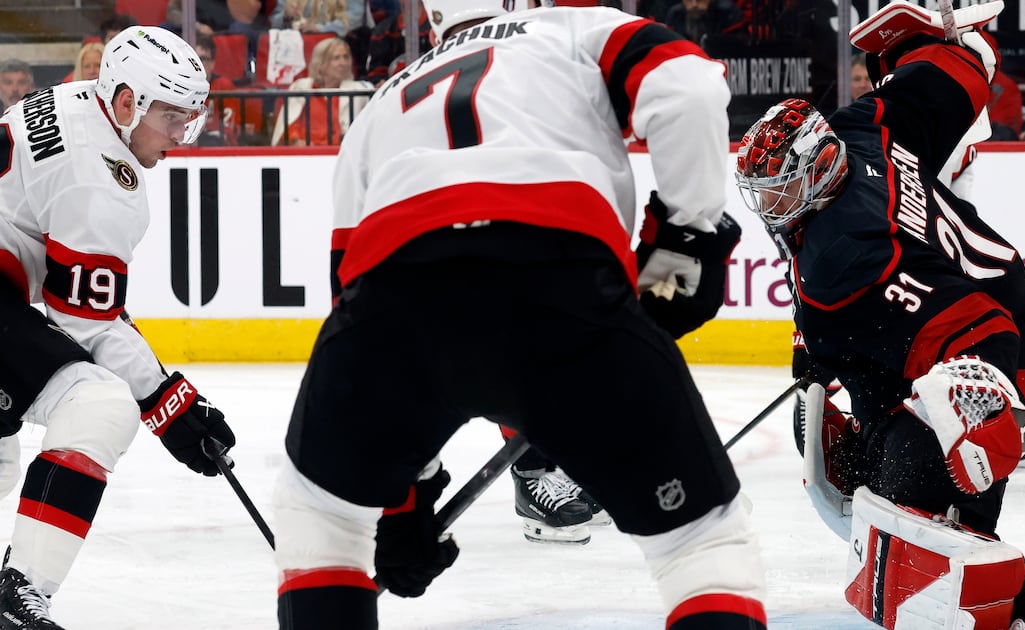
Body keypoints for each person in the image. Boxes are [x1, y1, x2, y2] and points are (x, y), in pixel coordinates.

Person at [271, 0, 766, 627]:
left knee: (322, 527)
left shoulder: (383, 100)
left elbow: (347, 286)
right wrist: (684, 241)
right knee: (702, 544)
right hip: (559, 276)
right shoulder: (572, 28)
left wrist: (403, 502)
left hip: (399, 293)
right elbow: (690, 86)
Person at [735, 1, 1025, 628]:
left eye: (778, 185)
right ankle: (967, 547)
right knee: (885, 461)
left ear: (816, 172)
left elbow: (979, 330)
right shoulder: (865, 127)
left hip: (1007, 366)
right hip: (993, 322)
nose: (768, 203)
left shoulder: (848, 256)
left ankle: (987, 578)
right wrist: (922, 43)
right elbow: (963, 68)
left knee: (907, 480)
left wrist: (973, 417)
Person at [0, 26, 237, 629]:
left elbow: (78, 300)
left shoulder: (83, 100)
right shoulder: (102, 178)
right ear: (127, 101)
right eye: (172, 118)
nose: (180, 136)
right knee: (101, 405)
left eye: (191, 118)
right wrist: (170, 404)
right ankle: (18, 595)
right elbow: (84, 320)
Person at [270, 36, 372, 146]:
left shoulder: (359, 90)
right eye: (336, 58)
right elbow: (289, 123)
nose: (343, 63)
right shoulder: (301, 87)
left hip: (339, 153)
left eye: (346, 57)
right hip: (303, 152)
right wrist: (296, 141)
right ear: (321, 63)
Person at [195, 33, 244, 146]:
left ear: (212, 63)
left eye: (202, 59)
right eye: (194, 59)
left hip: (220, 150)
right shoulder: (181, 88)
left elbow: (227, 132)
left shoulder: (224, 86)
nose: (197, 65)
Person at [663, 0, 747, 44]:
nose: (694, 5)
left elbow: (735, 48)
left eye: (699, 0)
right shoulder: (675, 14)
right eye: (689, 0)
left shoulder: (728, 13)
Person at [270, 0, 350, 36]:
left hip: (329, 45)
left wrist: (320, 28)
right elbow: (273, 23)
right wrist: (285, 15)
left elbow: (351, 20)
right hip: (293, 44)